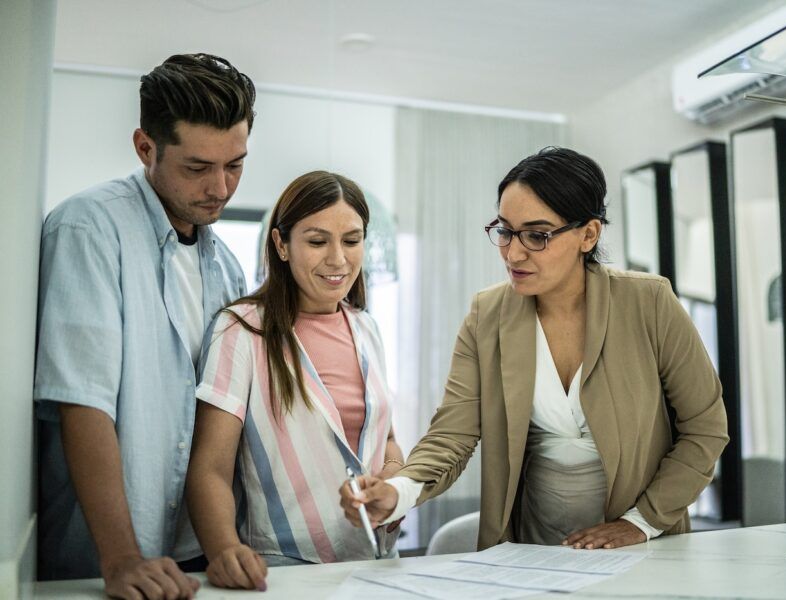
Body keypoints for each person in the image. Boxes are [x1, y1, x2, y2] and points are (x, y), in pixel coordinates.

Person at [340, 147, 729, 551]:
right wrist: (399, 491)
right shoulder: (486, 316)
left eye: (537, 235)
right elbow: (452, 435)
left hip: (644, 543)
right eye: (505, 230)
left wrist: (639, 523)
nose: (513, 252)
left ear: (589, 234)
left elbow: (705, 428)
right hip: (534, 548)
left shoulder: (649, 303)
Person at [34, 53, 255, 597]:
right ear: (145, 147)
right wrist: (123, 558)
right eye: (198, 168)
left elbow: (220, 418)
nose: (221, 188)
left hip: (194, 554)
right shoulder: (88, 228)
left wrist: (225, 544)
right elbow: (81, 401)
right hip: (102, 560)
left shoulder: (226, 264)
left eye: (235, 165)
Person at [186, 171, 403, 591]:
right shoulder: (242, 330)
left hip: (378, 563)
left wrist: (393, 484)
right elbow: (210, 468)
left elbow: (387, 439)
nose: (338, 259)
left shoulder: (367, 329)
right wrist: (224, 549)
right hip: (286, 569)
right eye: (318, 241)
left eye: (352, 240)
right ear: (282, 245)